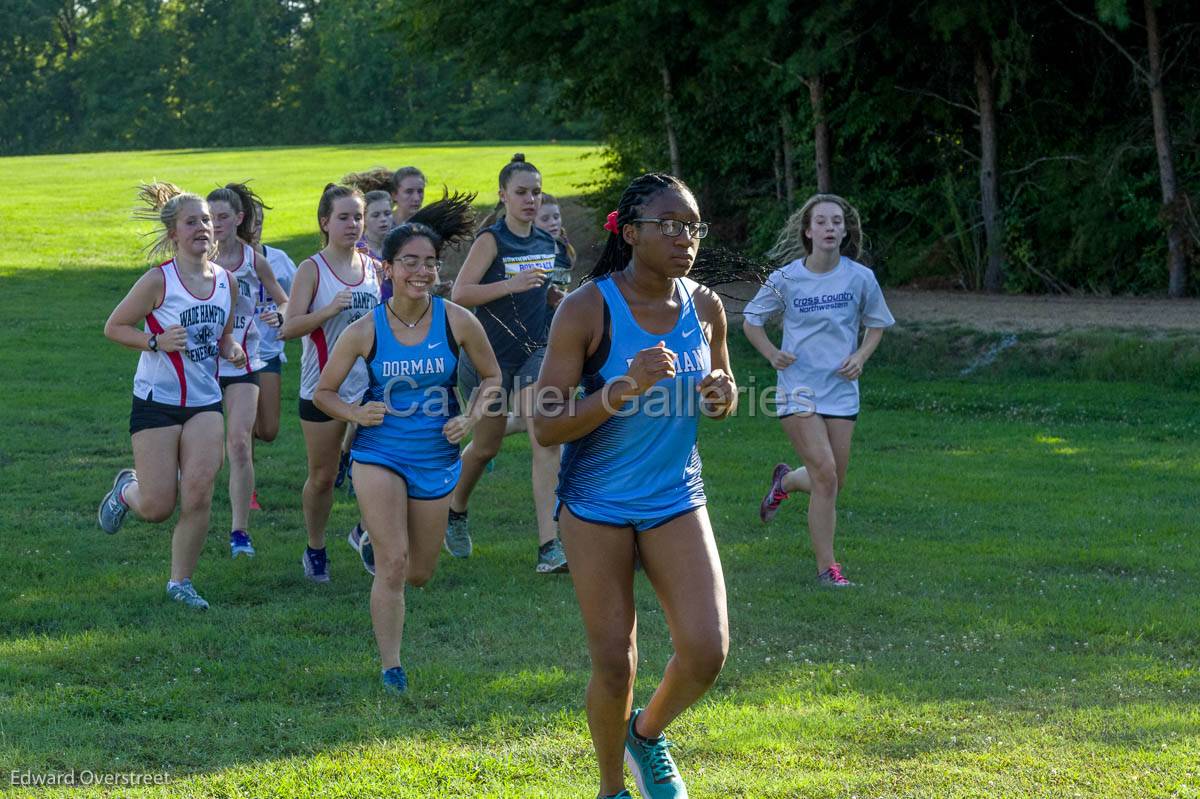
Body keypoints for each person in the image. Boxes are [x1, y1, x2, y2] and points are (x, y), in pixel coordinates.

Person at [533, 173, 737, 799]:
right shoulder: (587, 308)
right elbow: (545, 422)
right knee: (616, 664)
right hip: (596, 505)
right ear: (631, 232)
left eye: (693, 227)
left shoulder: (706, 306)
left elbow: (721, 382)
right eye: (669, 226)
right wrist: (622, 388)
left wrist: (723, 394)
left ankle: (646, 736)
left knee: (706, 650)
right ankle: (611, 788)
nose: (685, 238)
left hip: (676, 494)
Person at [314, 195, 501, 694]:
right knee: (394, 565)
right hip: (379, 452)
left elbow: (491, 376)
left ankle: (376, 538)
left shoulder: (457, 320)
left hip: (437, 457)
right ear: (389, 268)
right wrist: (356, 413)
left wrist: (471, 416)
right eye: (410, 262)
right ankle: (391, 666)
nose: (421, 271)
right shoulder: (365, 329)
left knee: (419, 572)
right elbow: (323, 392)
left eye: (429, 263)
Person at [98, 182, 247, 610]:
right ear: (173, 235)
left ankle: (180, 583)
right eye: (192, 222)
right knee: (158, 506)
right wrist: (155, 342)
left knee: (199, 491)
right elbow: (115, 327)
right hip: (156, 402)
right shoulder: (157, 281)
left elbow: (222, 338)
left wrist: (232, 349)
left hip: (204, 404)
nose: (203, 227)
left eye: (206, 220)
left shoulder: (227, 282)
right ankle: (127, 489)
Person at [743, 193, 895, 587]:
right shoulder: (786, 278)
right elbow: (751, 321)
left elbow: (876, 325)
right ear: (808, 231)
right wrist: (772, 353)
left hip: (842, 391)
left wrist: (860, 356)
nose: (830, 227)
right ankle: (828, 568)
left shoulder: (860, 277)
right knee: (825, 475)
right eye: (822, 222)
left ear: (845, 231)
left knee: (831, 482)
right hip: (799, 390)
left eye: (837, 222)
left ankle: (786, 482)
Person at [447, 154, 566, 573]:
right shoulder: (492, 241)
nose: (530, 199)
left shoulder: (547, 244)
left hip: (536, 351)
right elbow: (459, 295)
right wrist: (510, 284)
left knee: (545, 439)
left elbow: (543, 295)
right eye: (521, 192)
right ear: (503, 196)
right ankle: (455, 510)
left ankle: (549, 547)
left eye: (536, 192)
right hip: (488, 358)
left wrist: (554, 300)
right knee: (485, 446)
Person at [279, 184, 381, 583]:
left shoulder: (372, 266)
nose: (353, 224)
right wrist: (327, 310)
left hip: (367, 386)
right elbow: (289, 328)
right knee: (322, 477)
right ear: (325, 222)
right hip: (322, 387)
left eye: (358, 217)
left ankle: (363, 531)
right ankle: (316, 547)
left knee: (377, 466)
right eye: (344, 217)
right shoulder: (312, 269)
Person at [207, 183, 290, 558]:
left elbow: (286, 300)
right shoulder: (195, 257)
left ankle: (240, 533)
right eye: (210, 218)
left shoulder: (253, 260)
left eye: (223, 217)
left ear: (239, 219)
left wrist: (280, 314)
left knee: (240, 441)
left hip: (244, 361)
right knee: (206, 451)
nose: (215, 224)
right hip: (200, 364)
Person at [504, 191, 574, 438]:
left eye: (556, 217)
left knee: (534, 417)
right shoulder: (529, 253)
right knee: (534, 417)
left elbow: (561, 290)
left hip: (557, 333)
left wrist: (563, 301)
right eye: (546, 219)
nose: (553, 222)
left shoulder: (564, 251)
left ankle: (481, 436)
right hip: (533, 337)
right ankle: (481, 436)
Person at [247, 200, 298, 477]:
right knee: (242, 430)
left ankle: (238, 435)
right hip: (232, 356)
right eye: (251, 222)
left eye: (261, 222)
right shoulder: (222, 262)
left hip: (267, 352)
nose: (256, 229)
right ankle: (247, 487)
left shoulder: (278, 260)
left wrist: (281, 315)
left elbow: (295, 300)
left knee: (267, 430)